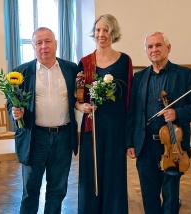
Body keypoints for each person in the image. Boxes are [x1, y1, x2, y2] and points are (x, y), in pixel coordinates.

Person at [126, 31, 191, 214]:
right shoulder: (139, 78)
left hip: (173, 146)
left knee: (170, 196)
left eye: (158, 45)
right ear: (146, 50)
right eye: (150, 46)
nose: (154, 50)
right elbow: (133, 113)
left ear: (168, 48)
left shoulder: (186, 75)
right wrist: (130, 142)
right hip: (145, 146)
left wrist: (177, 113)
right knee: (148, 195)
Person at [10, 27, 78, 214]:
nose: (44, 46)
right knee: (30, 191)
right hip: (34, 138)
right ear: (33, 46)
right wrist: (15, 113)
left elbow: (79, 97)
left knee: (58, 190)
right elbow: (11, 104)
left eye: (48, 41)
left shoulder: (71, 69)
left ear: (56, 44)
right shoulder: (20, 73)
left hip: (63, 137)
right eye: (39, 42)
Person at [75, 14, 133, 214]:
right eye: (98, 30)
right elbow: (78, 96)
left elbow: (129, 98)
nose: (101, 34)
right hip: (93, 125)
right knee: (91, 173)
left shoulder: (125, 60)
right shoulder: (85, 62)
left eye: (106, 30)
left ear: (113, 33)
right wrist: (80, 107)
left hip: (116, 126)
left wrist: (129, 136)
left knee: (114, 172)